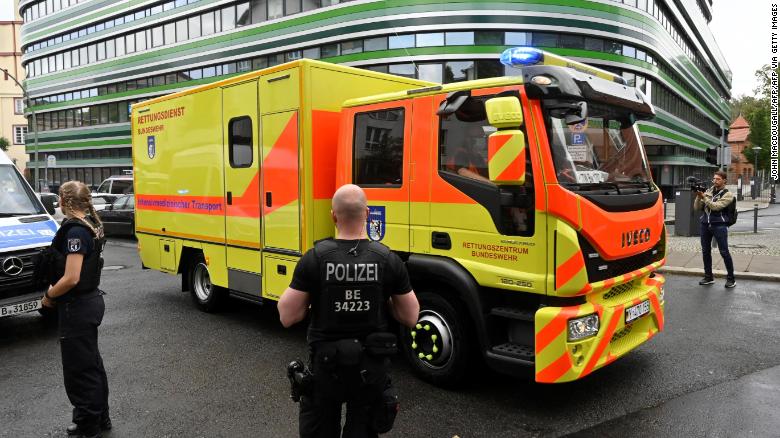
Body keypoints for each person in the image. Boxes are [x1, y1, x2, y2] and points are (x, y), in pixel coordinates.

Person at [278, 184, 420, 438]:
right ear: (367, 214)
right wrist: (382, 300)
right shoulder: (388, 259)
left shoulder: (315, 258)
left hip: (326, 370)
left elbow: (287, 316)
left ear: (334, 216)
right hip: (370, 372)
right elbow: (410, 316)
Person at [42, 181, 111, 438]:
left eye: (60, 197)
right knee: (91, 363)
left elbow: (71, 277)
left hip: (77, 306)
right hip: (90, 301)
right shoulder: (90, 225)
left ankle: (87, 424)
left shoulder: (75, 232)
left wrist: (49, 296)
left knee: (79, 369)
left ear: (64, 200)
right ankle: (100, 417)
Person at [693, 170, 736, 288]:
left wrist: (704, 198)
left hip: (719, 225)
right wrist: (698, 197)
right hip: (705, 224)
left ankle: (731, 279)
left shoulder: (728, 194)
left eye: (718, 179)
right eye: (714, 179)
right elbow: (697, 208)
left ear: (724, 181)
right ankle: (708, 277)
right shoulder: (709, 191)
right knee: (705, 251)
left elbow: (716, 207)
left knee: (724, 252)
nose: (715, 181)